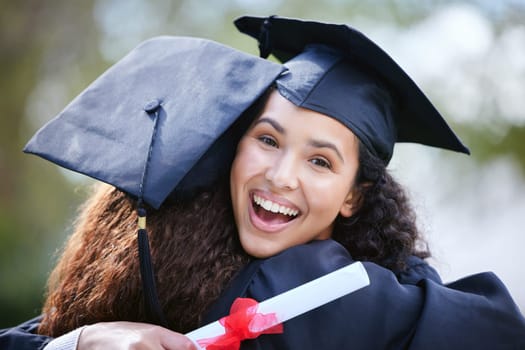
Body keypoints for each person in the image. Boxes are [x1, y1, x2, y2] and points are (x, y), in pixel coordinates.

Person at [2, 15, 525, 350]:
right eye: (268, 141)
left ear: (354, 196)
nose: (280, 176)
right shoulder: (173, 255)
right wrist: (85, 340)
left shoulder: (364, 296)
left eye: (320, 162)